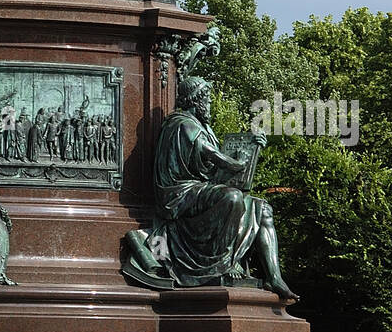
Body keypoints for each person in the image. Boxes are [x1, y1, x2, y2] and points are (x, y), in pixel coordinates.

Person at [124, 73, 295, 298]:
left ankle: (274, 277)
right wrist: (238, 163)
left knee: (263, 209)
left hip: (199, 189)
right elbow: (214, 156)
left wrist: (254, 147)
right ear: (196, 100)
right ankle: (222, 264)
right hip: (178, 195)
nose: (210, 103)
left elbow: (216, 171)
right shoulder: (182, 123)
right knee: (231, 198)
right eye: (208, 99)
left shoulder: (202, 126)